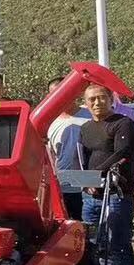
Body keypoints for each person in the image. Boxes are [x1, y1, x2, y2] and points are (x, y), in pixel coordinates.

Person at [78, 83, 134, 265]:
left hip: (116, 195)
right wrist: (86, 182)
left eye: (101, 97)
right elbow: (81, 158)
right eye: (91, 99)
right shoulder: (85, 128)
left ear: (111, 99)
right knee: (94, 244)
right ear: (85, 103)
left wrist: (95, 176)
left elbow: (122, 152)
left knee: (117, 246)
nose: (97, 103)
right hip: (91, 197)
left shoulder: (124, 123)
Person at [45, 77, 88, 220]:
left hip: (88, 185)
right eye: (54, 95)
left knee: (87, 227)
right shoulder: (48, 123)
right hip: (61, 186)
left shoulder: (90, 115)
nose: (59, 99)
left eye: (63, 93)